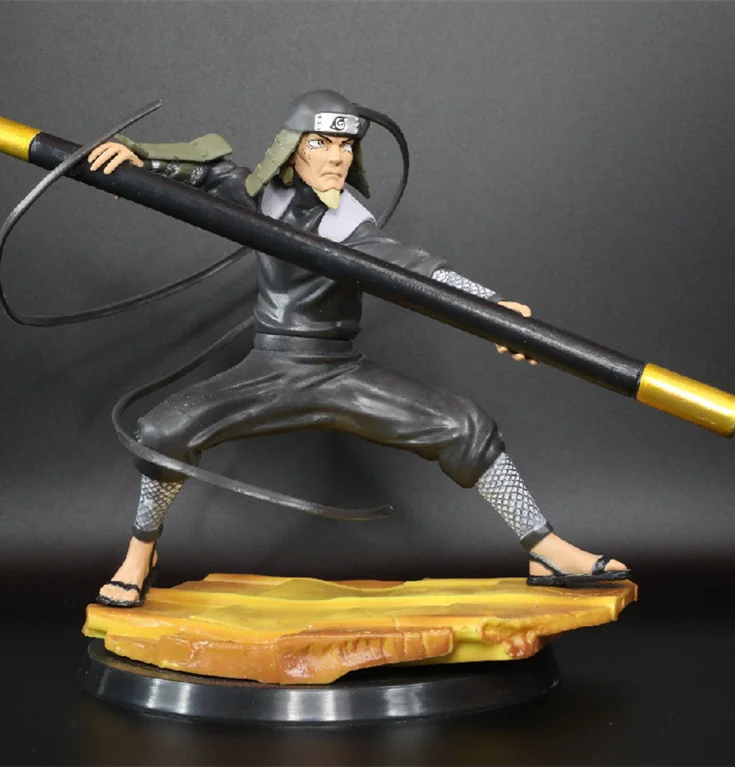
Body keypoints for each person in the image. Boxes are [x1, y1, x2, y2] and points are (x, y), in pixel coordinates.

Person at [88, 90, 628, 607]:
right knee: (162, 431)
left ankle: (546, 550)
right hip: (269, 367)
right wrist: (137, 158)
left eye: (346, 146)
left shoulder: (354, 226)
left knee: (465, 424)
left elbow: (422, 272)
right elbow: (205, 171)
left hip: (337, 372)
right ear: (292, 147)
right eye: (321, 143)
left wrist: (494, 309)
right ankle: (140, 553)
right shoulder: (258, 196)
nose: (336, 157)